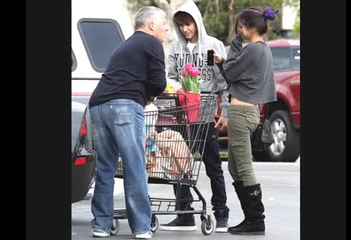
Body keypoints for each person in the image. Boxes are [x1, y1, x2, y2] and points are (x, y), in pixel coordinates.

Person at [88, 6, 168, 239]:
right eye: (163, 22)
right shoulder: (151, 42)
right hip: (124, 106)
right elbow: (159, 82)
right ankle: (142, 227)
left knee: (105, 167)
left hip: (98, 106)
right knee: (134, 166)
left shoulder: (126, 44)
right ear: (151, 24)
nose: (165, 27)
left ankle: (101, 225)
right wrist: (149, 97)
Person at [159, 0, 230, 233]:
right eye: (181, 25)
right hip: (182, 111)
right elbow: (169, 76)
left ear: (197, 22)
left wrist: (226, 111)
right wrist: (180, 89)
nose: (185, 29)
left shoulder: (213, 45)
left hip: (206, 111)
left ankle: (221, 214)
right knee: (179, 163)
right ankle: (185, 213)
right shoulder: (176, 49)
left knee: (212, 165)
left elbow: (225, 82)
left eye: (188, 24)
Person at [213, 6, 279, 235]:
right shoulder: (262, 49)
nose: (239, 31)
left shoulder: (253, 50)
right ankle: (250, 218)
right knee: (234, 166)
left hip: (242, 114)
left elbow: (230, 73)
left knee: (243, 166)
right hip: (243, 112)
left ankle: (255, 220)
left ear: (251, 27)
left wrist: (229, 53)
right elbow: (235, 71)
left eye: (241, 27)